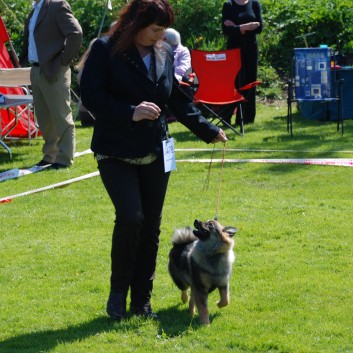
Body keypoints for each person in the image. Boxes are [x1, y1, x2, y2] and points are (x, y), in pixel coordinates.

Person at [80, 0, 228, 321]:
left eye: (163, 30)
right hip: (115, 149)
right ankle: (118, 294)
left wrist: (208, 130)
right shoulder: (105, 49)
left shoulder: (165, 52)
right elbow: (90, 94)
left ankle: (142, 300)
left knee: (150, 226)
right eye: (156, 29)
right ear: (136, 22)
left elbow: (176, 98)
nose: (160, 36)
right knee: (131, 218)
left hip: (156, 150)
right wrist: (129, 112)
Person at [19, 0, 82, 168]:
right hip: (36, 69)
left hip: (55, 69)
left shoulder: (57, 5)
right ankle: (50, 155)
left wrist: (63, 60)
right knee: (44, 117)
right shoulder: (34, 10)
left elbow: (76, 33)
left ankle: (64, 158)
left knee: (61, 115)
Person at [222, 0, 263, 125]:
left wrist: (236, 27)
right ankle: (226, 117)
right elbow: (225, 30)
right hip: (234, 49)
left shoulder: (254, 4)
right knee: (233, 82)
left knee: (250, 82)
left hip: (251, 49)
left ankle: (247, 117)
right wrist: (245, 27)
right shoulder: (228, 5)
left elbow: (259, 27)